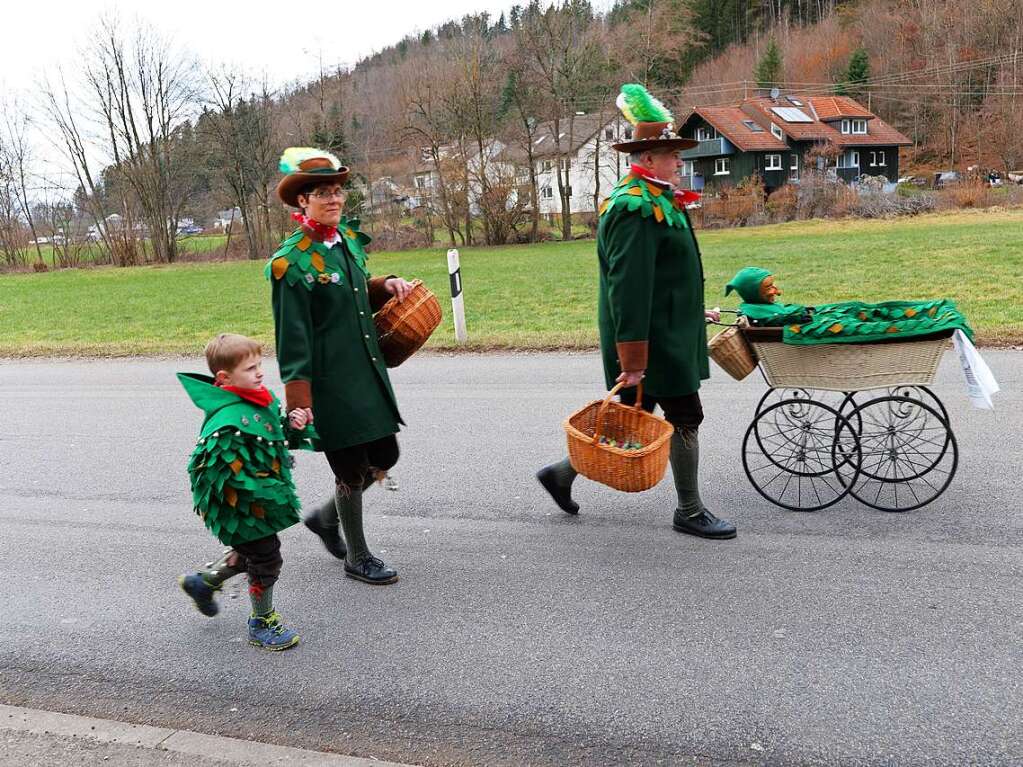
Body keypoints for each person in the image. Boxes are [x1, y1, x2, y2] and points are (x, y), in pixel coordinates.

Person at [536, 84, 736, 540]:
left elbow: (665, 278)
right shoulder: (633, 208)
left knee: (624, 419)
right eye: (671, 155)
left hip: (668, 332)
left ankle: (561, 474)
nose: (680, 162)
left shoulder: (660, 198)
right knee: (684, 415)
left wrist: (691, 312)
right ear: (647, 158)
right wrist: (633, 363)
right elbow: (627, 290)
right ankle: (689, 510)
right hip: (650, 344)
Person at [268, 147, 414, 585]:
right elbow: (292, 339)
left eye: (336, 191)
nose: (333, 199)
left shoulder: (345, 241)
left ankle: (326, 519)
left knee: (386, 454)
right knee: (349, 469)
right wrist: (299, 401)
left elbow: (349, 291)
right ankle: (358, 555)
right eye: (321, 193)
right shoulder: (288, 264)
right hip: (330, 384)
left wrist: (382, 285)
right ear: (301, 201)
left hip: (367, 374)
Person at [177, 333, 314, 651]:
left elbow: (270, 435)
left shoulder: (258, 399)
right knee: (267, 558)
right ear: (225, 378)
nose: (260, 373)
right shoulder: (226, 420)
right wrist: (253, 497)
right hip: (238, 509)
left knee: (255, 553)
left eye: (259, 365)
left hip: (259, 503)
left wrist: (290, 425)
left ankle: (203, 582)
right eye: (250, 368)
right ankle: (261, 622)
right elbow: (212, 471)